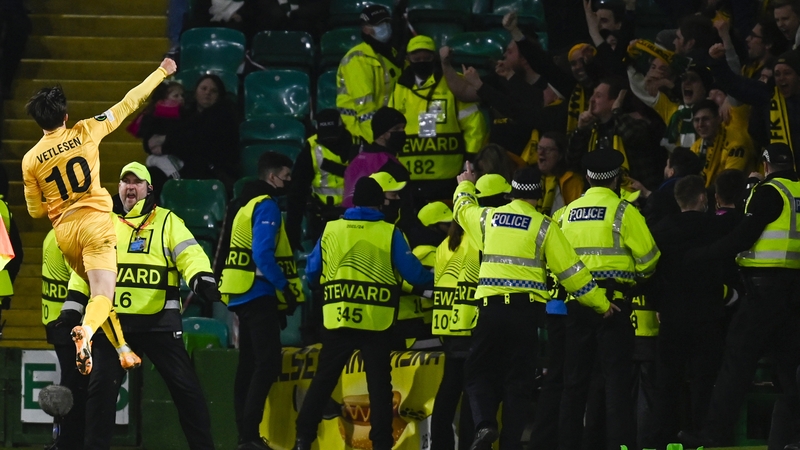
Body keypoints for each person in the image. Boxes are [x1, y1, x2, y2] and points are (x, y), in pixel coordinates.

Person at [22, 57, 177, 374]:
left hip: (65, 233)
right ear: (65, 116)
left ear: (39, 122)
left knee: (96, 292)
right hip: (95, 224)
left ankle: (122, 349)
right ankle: (87, 333)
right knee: (104, 294)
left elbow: (35, 211)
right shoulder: (86, 131)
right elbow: (129, 102)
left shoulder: (30, 160)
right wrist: (162, 71)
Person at [453, 164, 608, 450]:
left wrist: (466, 184)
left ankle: (485, 424)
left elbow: (462, 209)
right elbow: (572, 273)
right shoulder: (544, 226)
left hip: (491, 311)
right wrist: (602, 305)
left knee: (476, 372)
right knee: (519, 384)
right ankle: (511, 445)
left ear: (510, 192)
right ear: (538, 195)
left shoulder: (489, 218)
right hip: (527, 315)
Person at [68, 162, 218, 450]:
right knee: (99, 393)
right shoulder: (105, 223)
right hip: (113, 325)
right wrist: (73, 304)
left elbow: (190, 253)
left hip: (159, 323)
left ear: (149, 189)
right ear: (119, 188)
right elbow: (85, 270)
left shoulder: (167, 221)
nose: (130, 187)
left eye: (137, 182)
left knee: (188, 393)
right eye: (125, 182)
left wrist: (201, 278)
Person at [292, 176, 434, 450]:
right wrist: (433, 282)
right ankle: (381, 443)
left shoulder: (331, 229)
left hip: (338, 318)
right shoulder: (388, 232)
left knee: (324, 380)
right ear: (380, 202)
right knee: (379, 386)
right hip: (375, 321)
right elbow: (414, 274)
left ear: (354, 201)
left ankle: (302, 439)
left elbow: (311, 273)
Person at [679, 143, 800, 448]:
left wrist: (700, 256)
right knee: (790, 371)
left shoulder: (769, 192)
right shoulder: (796, 192)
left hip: (763, 292)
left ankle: (713, 435)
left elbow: (743, 236)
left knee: (735, 365)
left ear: (766, 163)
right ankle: (791, 438)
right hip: (794, 292)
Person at [558, 148, 660, 450]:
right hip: (615, 305)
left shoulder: (565, 213)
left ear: (588, 178)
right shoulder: (624, 212)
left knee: (574, 385)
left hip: (575, 305)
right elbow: (650, 258)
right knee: (616, 385)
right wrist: (636, 279)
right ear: (616, 179)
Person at [219, 152, 304, 450]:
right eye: (286, 176)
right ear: (272, 177)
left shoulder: (244, 203)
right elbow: (263, 255)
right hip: (258, 292)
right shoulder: (266, 205)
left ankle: (245, 434)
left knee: (248, 363)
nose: (289, 182)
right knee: (267, 363)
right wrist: (286, 289)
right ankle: (250, 435)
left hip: (241, 292)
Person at [647, 175, 728, 448]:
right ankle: (700, 435)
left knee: (667, 381)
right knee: (703, 381)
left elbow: (652, 273)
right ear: (703, 198)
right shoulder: (716, 228)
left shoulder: (660, 230)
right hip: (708, 316)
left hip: (671, 316)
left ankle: (663, 438)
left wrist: (658, 304)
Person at [389, 35, 487, 204]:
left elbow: (474, 124)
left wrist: (470, 159)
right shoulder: (399, 88)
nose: (421, 62)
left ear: (433, 58)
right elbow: (389, 128)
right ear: (407, 59)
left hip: (448, 177)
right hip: (408, 178)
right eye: (416, 58)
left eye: (426, 58)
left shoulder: (453, 82)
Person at [441, 14, 544, 157]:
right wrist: (445, 64)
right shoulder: (499, 80)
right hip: (498, 162)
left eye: (509, 52)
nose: (504, 56)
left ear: (524, 57)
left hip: (530, 161)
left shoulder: (546, 86)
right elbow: (463, 92)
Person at [567, 77, 665, 191]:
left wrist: (616, 112)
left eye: (598, 96)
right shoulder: (591, 129)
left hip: (635, 196)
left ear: (614, 101)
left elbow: (631, 135)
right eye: (592, 95)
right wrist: (580, 129)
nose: (592, 100)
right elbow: (572, 161)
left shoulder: (635, 122)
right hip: (600, 195)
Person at [148, 74, 240, 192]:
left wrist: (165, 142)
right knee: (151, 174)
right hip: (184, 163)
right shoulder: (186, 113)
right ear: (195, 91)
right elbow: (154, 136)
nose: (207, 93)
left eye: (213, 91)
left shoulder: (224, 116)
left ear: (219, 96)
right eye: (204, 88)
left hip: (211, 171)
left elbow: (197, 143)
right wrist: (153, 142)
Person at [286, 109, 357, 250]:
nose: (331, 141)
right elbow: (296, 193)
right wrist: (292, 235)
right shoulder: (311, 149)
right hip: (323, 219)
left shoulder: (358, 144)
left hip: (356, 217)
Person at [41, 229, 86, 450]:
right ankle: (68, 443)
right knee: (74, 388)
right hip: (70, 325)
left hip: (55, 321)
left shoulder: (53, 233)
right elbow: (81, 283)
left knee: (70, 384)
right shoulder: (72, 239)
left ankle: (64, 441)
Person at [336, 4, 402, 143]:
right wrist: (376, 140)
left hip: (384, 131)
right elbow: (365, 108)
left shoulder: (390, 55)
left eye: (386, 22)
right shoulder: (358, 59)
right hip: (360, 135)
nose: (385, 27)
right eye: (379, 24)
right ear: (365, 29)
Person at [342, 106, 410, 208]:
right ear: (382, 134)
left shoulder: (356, 159)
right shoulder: (390, 165)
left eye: (403, 128)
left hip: (348, 218)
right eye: (396, 129)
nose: (402, 132)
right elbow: (404, 207)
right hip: (376, 221)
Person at [689, 98, 756, 187]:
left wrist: (728, 99)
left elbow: (729, 183)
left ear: (718, 118)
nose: (700, 124)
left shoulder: (736, 141)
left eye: (705, 119)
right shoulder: (695, 147)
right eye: (696, 120)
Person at [634, 146, 702, 226]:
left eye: (667, 165)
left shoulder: (662, 197)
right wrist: (647, 194)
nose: (665, 168)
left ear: (671, 172)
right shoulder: (698, 192)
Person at [535, 131, 584, 216]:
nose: (541, 153)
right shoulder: (532, 179)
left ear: (560, 155)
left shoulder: (572, 181)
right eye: (539, 148)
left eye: (548, 149)